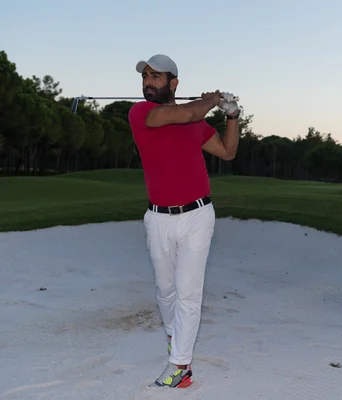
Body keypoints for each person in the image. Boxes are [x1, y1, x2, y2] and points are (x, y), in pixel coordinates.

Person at [127, 54, 240, 388]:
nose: (148, 82)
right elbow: (187, 111)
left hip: (197, 216)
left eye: (156, 76)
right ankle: (176, 341)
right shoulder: (141, 113)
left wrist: (231, 115)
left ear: (173, 83)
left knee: (188, 292)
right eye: (145, 76)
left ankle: (180, 366)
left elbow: (228, 151)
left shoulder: (194, 123)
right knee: (166, 292)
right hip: (158, 218)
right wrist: (211, 100)